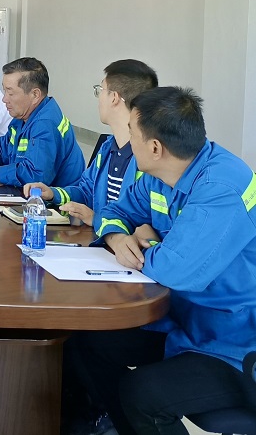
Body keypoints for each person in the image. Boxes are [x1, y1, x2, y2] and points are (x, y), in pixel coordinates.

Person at [63, 87, 256, 435]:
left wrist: (149, 242)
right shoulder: (160, 176)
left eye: (132, 133)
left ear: (154, 147)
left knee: (143, 394)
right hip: (182, 318)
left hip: (234, 341)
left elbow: (175, 269)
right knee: (87, 342)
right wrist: (117, 237)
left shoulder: (222, 185)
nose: (128, 141)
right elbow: (112, 211)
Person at [24, 59, 158, 226]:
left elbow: (143, 223)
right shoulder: (107, 148)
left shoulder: (147, 158)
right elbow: (86, 191)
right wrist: (53, 194)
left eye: (100, 90)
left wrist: (97, 219)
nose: (98, 98)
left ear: (114, 98)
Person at [0, 57, 84, 187]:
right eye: (4, 91)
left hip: (57, 198)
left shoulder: (45, 124)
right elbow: (2, 151)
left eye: (10, 93)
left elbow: (33, 176)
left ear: (35, 95)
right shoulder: (23, 117)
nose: (4, 99)